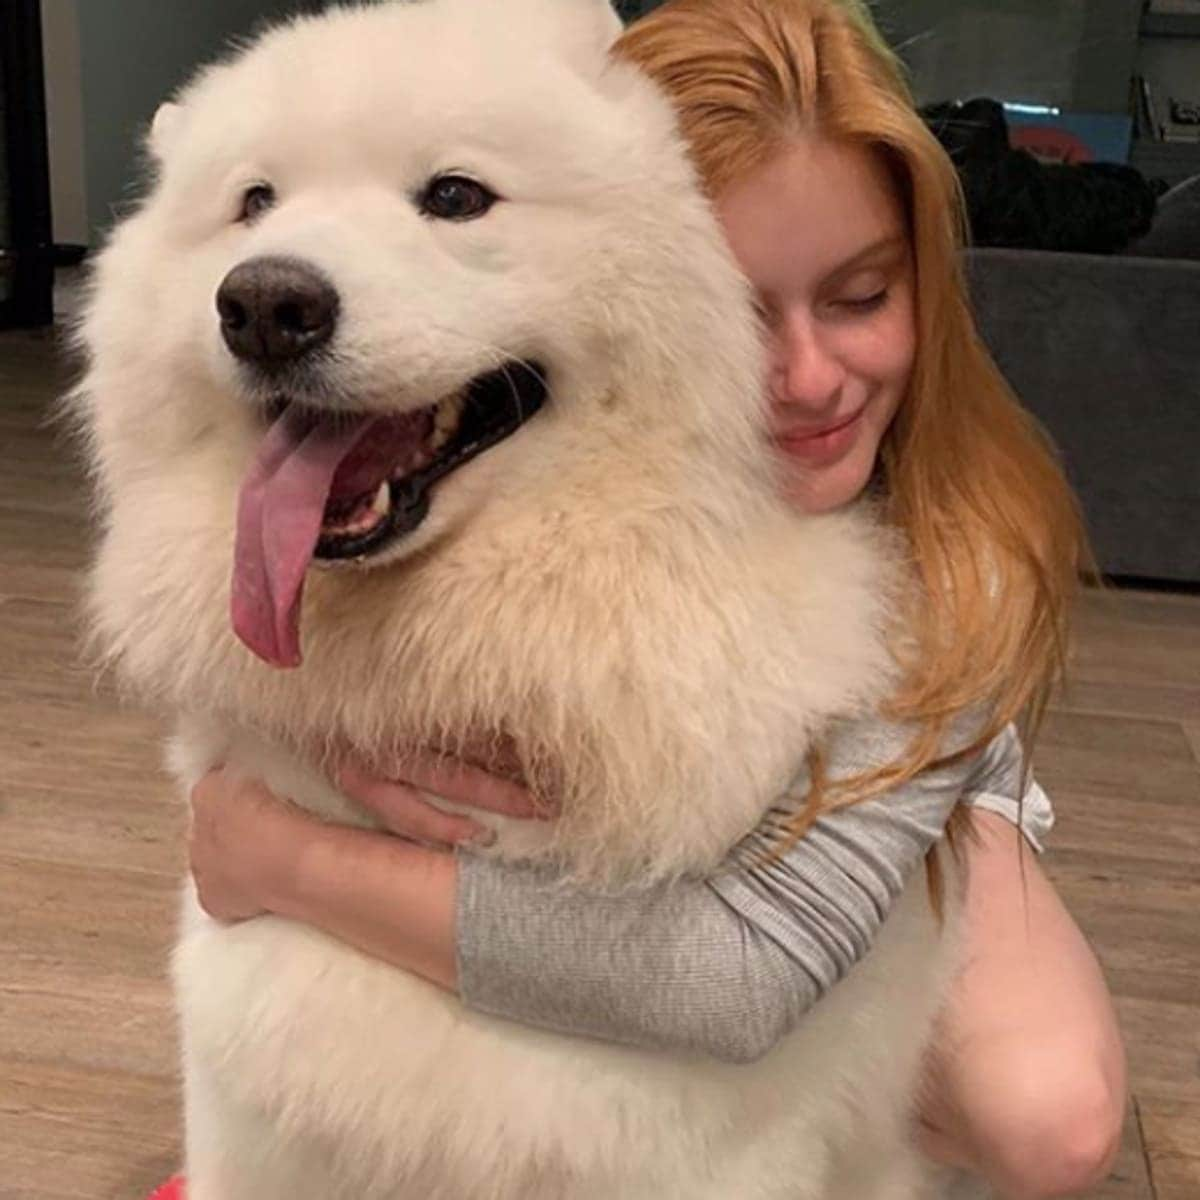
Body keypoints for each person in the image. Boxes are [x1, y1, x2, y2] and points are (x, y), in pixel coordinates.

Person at [186, 1, 1126, 1196]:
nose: (807, 378)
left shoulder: (954, 558)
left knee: (1044, 1112)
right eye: (736, 303)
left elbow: (734, 978)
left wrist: (281, 861)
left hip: (906, 762)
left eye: (859, 295)